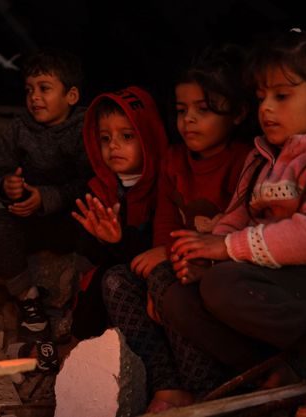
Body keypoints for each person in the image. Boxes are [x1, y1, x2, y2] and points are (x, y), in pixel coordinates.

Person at [164, 30, 306, 399]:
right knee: (179, 298)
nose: (266, 108)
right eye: (261, 97)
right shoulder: (261, 157)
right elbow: (236, 217)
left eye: (281, 96)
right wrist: (203, 253)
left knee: (226, 285)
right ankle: (272, 374)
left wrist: (225, 249)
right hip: (281, 281)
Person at [102, 45, 258, 413]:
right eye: (181, 110)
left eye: (203, 111)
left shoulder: (246, 160)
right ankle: (169, 385)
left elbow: (245, 231)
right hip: (176, 263)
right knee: (117, 281)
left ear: (237, 113)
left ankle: (206, 388)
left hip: (222, 276)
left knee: (168, 278)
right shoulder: (175, 159)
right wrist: (163, 261)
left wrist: (167, 263)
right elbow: (167, 223)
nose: (189, 120)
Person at [0, 49, 92, 370]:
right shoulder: (19, 129)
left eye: (44, 88)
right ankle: (29, 302)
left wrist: (46, 197)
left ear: (71, 95)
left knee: (94, 230)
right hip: (28, 220)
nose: (35, 97)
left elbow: (92, 183)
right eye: (29, 89)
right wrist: (7, 186)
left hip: (71, 218)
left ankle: (79, 304)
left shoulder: (84, 128)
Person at [71, 86, 168, 340]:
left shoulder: (163, 188)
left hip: (147, 279)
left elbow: (156, 246)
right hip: (105, 288)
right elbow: (86, 253)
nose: (113, 145)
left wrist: (120, 238)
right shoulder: (97, 189)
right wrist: (101, 237)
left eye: (126, 136)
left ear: (148, 137)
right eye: (105, 138)